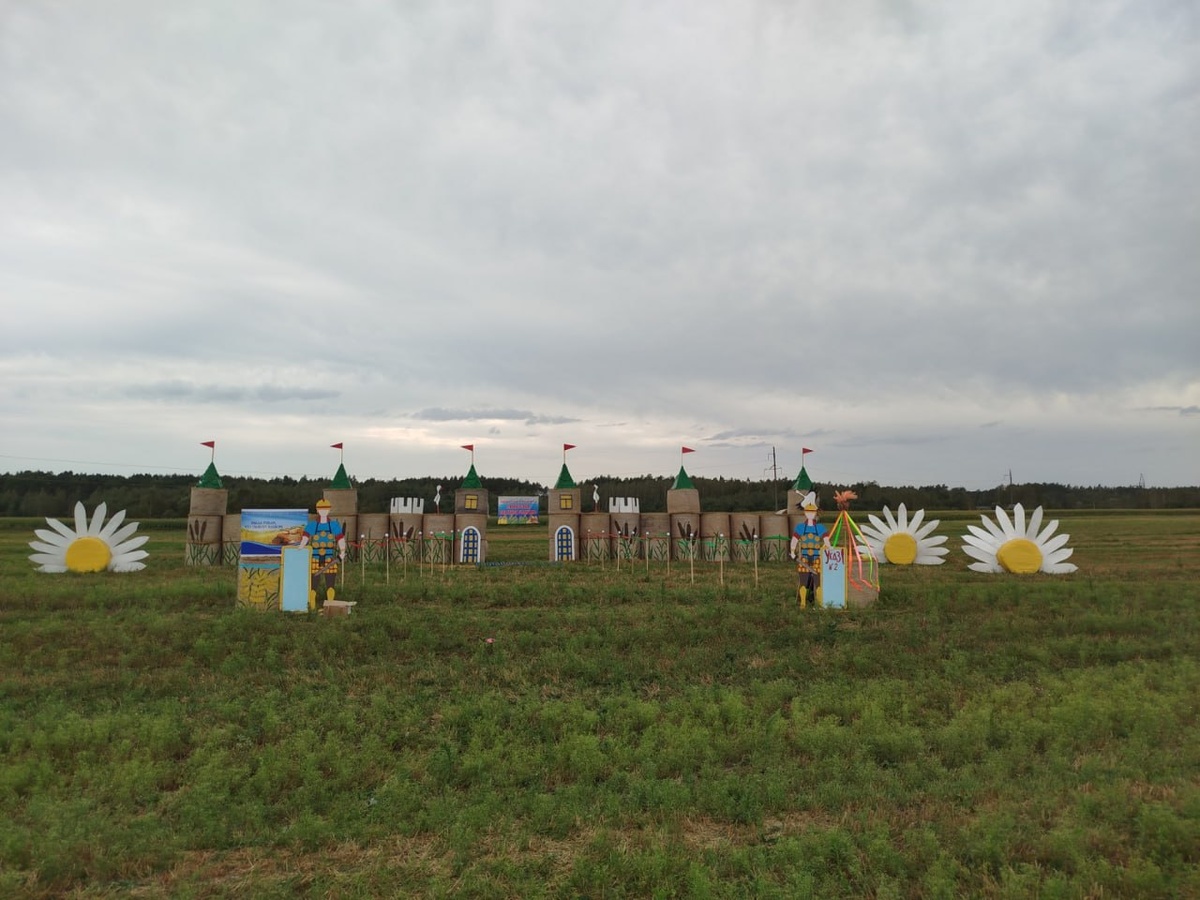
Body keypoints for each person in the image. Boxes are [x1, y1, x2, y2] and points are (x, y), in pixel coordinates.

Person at [300, 499, 346, 608]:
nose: (323, 511)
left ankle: (329, 605)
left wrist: (342, 551)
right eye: (321, 509)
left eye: (325, 509)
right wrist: (299, 549)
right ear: (317, 510)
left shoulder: (334, 525)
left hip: (329, 558)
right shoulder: (312, 525)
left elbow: (340, 539)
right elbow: (305, 538)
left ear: (329, 510)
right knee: (313, 584)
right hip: (315, 558)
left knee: (330, 583)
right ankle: (312, 606)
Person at [789, 491, 829, 608]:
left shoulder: (820, 528)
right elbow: (794, 540)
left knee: (818, 581)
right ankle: (803, 603)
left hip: (817, 557)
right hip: (804, 557)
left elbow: (826, 541)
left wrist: (827, 547)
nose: (810, 514)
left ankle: (819, 603)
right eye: (808, 511)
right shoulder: (800, 527)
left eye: (812, 512)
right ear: (805, 512)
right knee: (803, 580)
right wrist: (792, 551)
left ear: (816, 513)